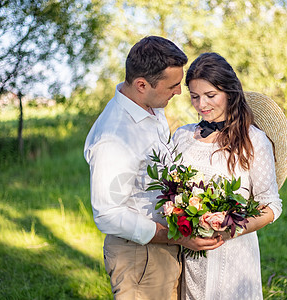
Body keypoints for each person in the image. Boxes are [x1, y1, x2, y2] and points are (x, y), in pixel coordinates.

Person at [83, 37, 224, 300]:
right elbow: (108, 214)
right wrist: (176, 238)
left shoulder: (151, 109)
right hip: (139, 257)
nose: (179, 92)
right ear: (141, 85)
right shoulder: (115, 137)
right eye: (172, 86)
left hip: (162, 249)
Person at [173, 52, 287, 299]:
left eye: (210, 95)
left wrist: (231, 228)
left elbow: (271, 206)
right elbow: (169, 190)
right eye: (194, 97)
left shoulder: (254, 140)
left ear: (230, 92)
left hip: (234, 259)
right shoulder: (182, 137)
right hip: (190, 256)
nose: (201, 105)